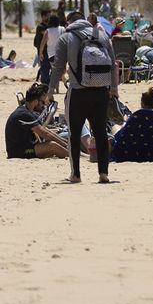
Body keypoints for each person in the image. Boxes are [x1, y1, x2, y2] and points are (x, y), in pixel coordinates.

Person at [52, 9, 115, 184]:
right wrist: (114, 88)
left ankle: (76, 174)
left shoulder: (66, 38)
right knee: (101, 132)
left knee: (74, 134)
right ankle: (103, 173)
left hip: (78, 92)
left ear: (68, 23)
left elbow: (58, 67)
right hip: (102, 90)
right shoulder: (102, 35)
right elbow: (113, 65)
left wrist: (50, 91)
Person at [4, 88, 67, 160]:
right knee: (52, 145)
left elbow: (46, 131)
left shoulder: (28, 111)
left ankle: (76, 154)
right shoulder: (24, 114)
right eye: (42, 103)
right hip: (19, 152)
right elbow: (45, 134)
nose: (43, 106)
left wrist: (64, 142)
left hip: (26, 147)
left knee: (55, 145)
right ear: (35, 101)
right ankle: (77, 156)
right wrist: (65, 145)